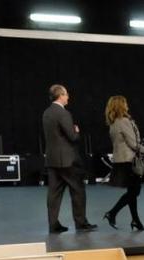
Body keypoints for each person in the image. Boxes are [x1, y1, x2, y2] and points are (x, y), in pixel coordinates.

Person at [41, 84, 96, 233]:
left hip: (52, 159)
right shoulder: (63, 113)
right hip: (67, 160)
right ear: (60, 96)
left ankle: (53, 224)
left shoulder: (46, 113)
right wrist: (76, 131)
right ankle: (81, 222)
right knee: (78, 190)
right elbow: (72, 137)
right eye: (66, 95)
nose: (68, 97)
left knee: (54, 193)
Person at [103, 95, 144, 231]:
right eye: (125, 103)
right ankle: (112, 213)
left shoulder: (114, 122)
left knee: (132, 192)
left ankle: (136, 221)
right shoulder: (124, 121)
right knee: (134, 192)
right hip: (129, 161)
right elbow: (133, 143)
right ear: (122, 106)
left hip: (121, 161)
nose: (127, 105)